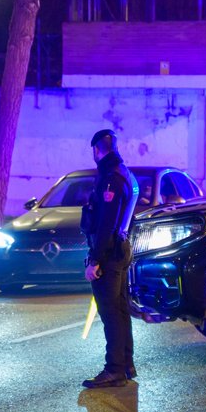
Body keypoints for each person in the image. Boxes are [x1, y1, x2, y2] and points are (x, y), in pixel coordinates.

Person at [80, 130, 140, 388]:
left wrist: (95, 260)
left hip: (110, 253)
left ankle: (115, 368)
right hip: (120, 249)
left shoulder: (110, 178)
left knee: (111, 313)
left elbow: (106, 223)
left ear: (96, 150)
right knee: (120, 310)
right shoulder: (123, 172)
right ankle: (125, 364)